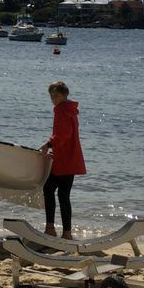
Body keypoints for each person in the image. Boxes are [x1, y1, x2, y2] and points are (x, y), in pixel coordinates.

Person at [39, 80, 85, 240]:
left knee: (49, 190)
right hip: (71, 157)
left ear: (64, 95)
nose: (53, 98)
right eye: (51, 96)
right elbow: (66, 134)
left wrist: (49, 143)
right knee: (63, 195)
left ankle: (51, 229)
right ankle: (66, 233)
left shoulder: (61, 110)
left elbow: (63, 134)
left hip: (64, 158)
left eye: (56, 95)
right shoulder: (70, 110)